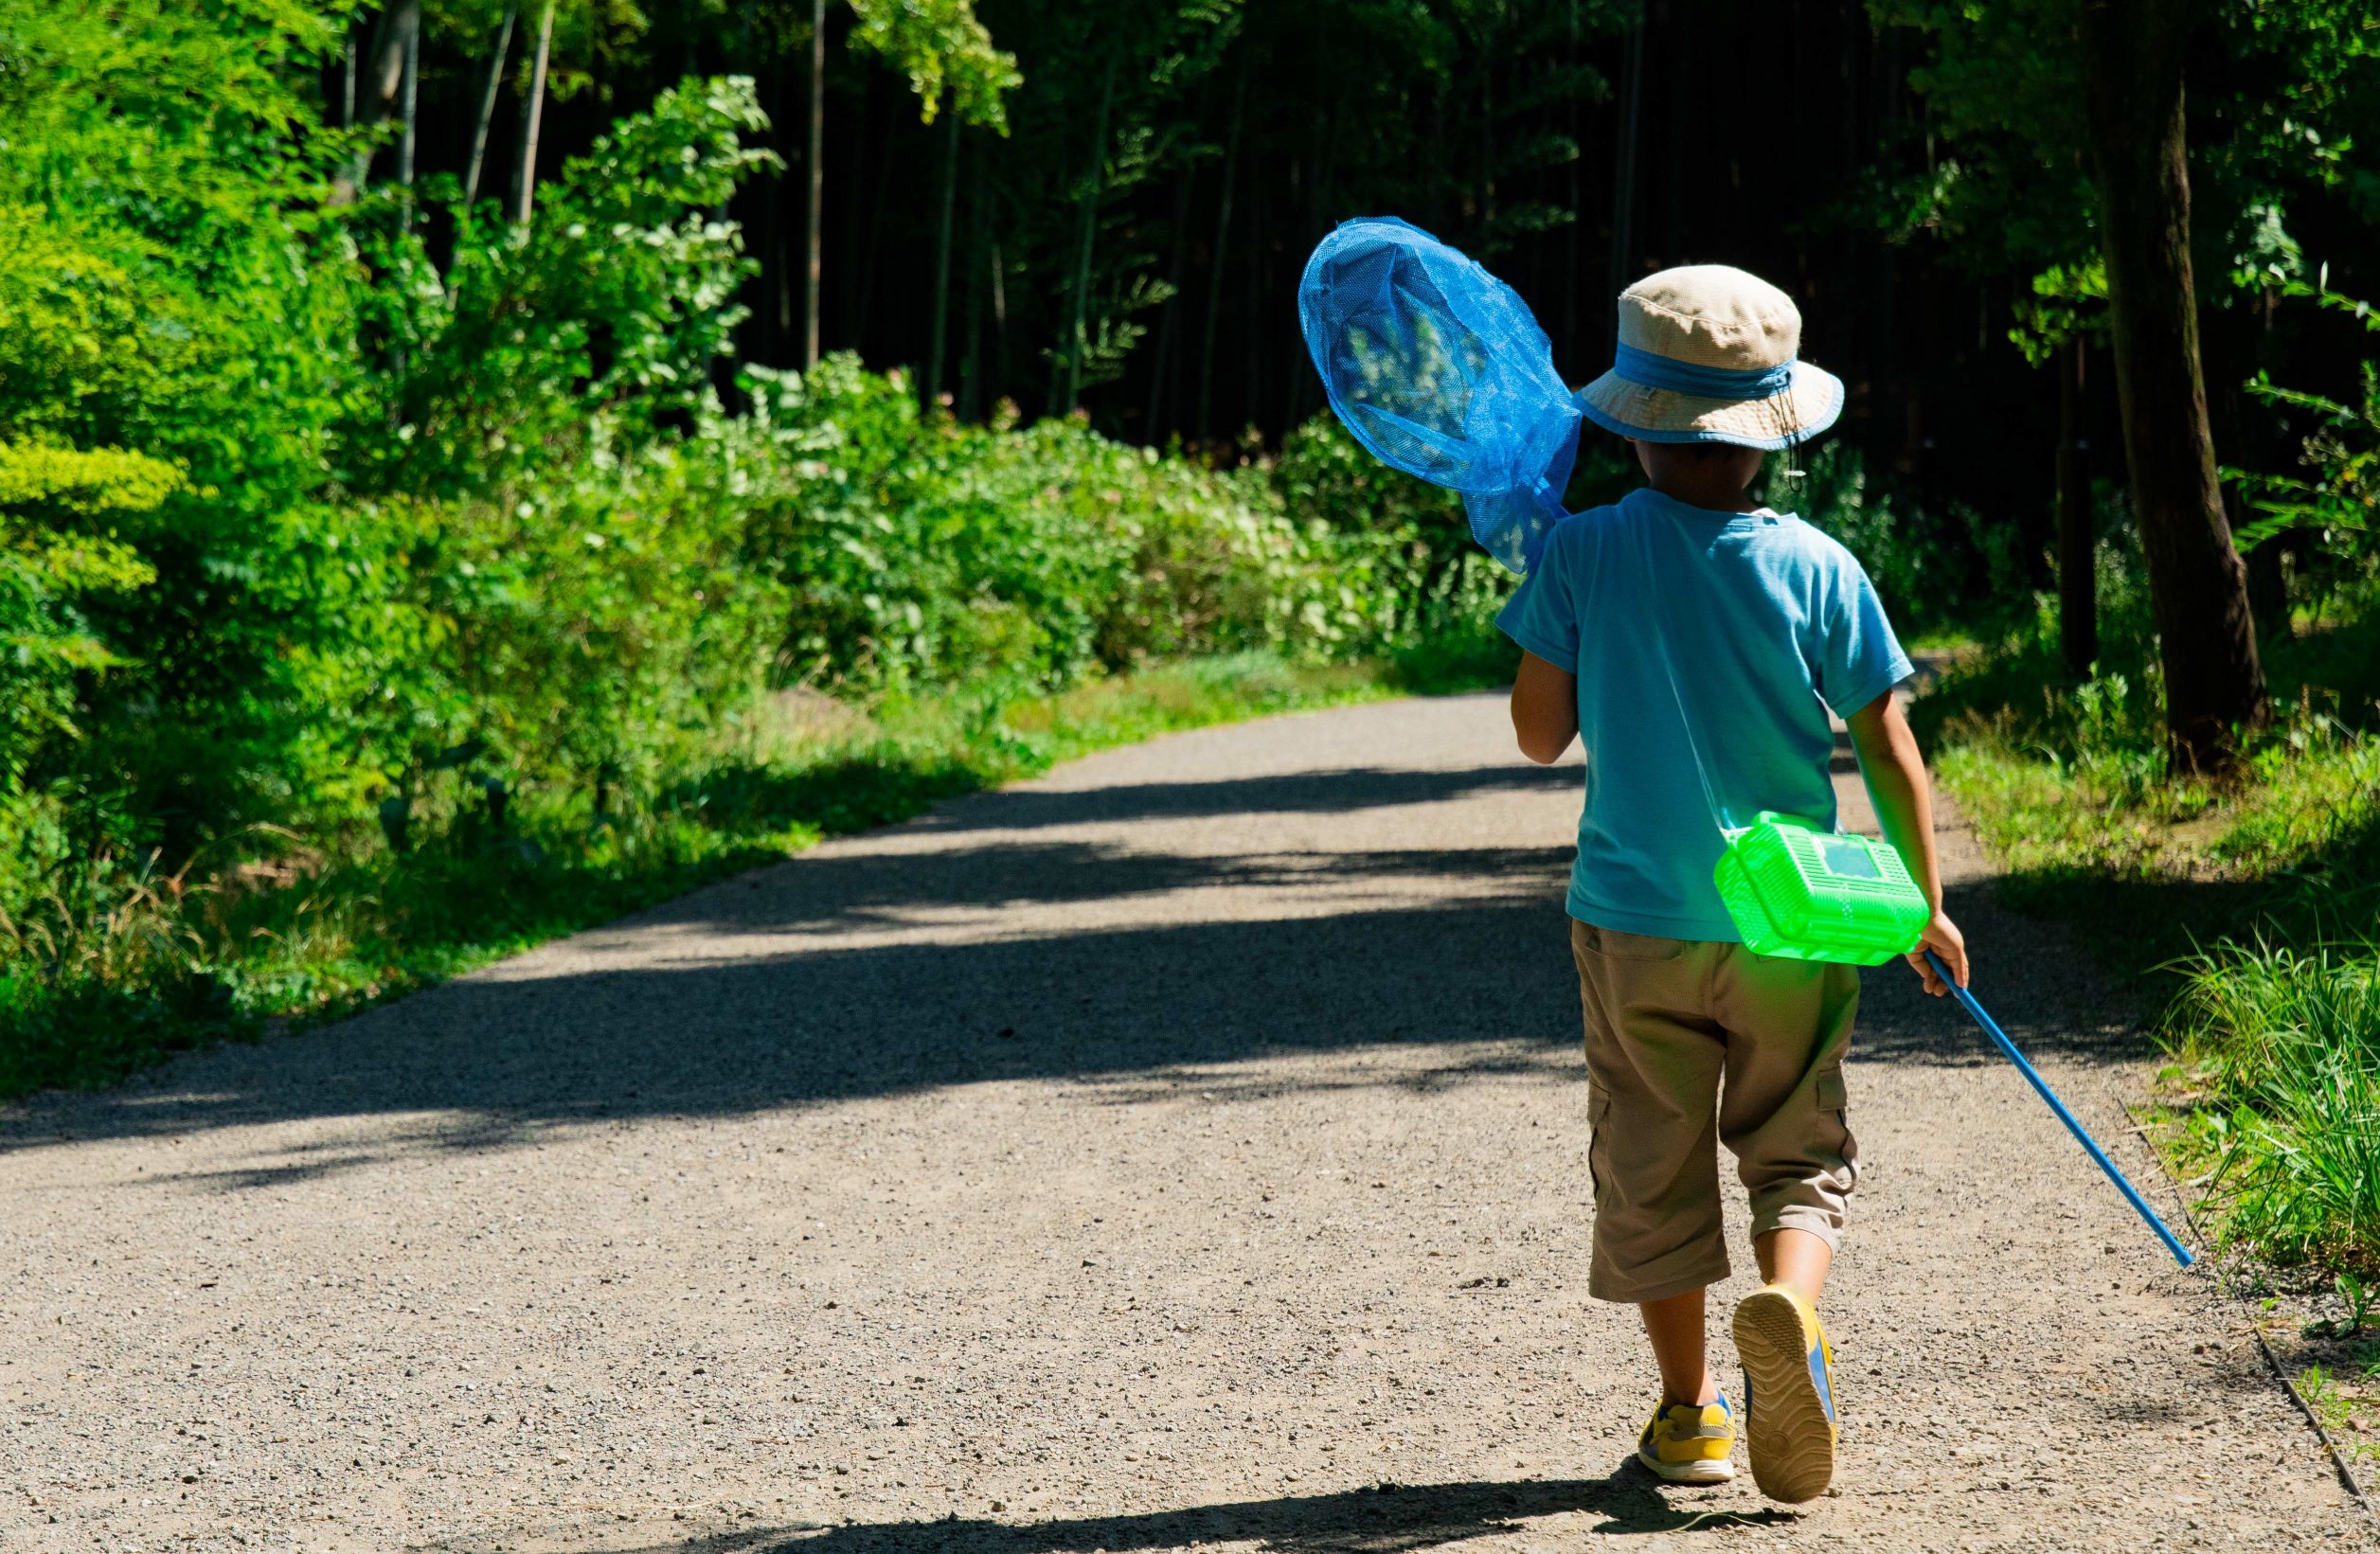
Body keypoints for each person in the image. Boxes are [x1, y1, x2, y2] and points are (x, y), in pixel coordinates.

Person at [1497, 265, 1970, 1503]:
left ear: (1631, 419)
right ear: (1775, 433)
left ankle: (1688, 1414)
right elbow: (1889, 745)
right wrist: (1924, 901)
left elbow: (1537, 736)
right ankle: (1789, 1308)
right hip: (1791, 920)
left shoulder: (1582, 551)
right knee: (1792, 1142)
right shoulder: (1818, 564)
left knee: (1648, 1159)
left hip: (1633, 923)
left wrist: (1548, 587)